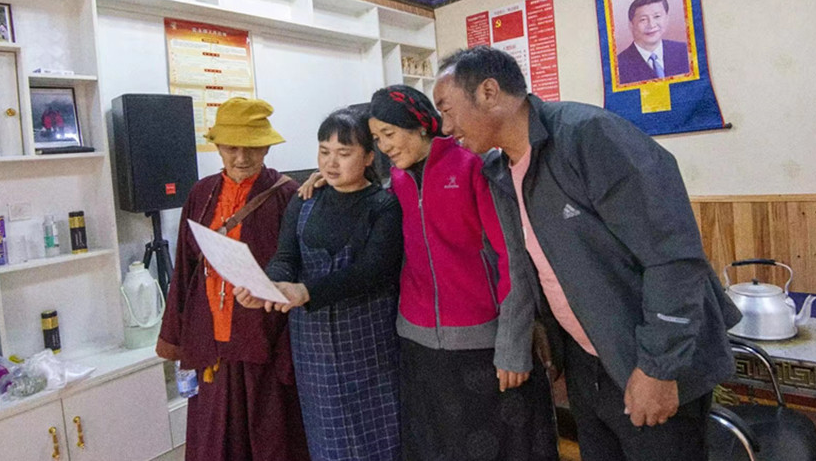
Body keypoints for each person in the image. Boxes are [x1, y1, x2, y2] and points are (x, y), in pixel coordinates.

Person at [433, 46, 742, 461]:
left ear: (489, 92)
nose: (445, 127)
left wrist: (658, 367)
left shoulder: (588, 135)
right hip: (588, 361)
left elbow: (673, 257)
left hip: (648, 359)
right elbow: (537, 265)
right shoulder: (499, 172)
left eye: (447, 109)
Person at [367, 86, 557, 461]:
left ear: (419, 125)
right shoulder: (396, 182)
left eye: (389, 134)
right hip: (418, 344)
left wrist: (513, 343)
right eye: (377, 138)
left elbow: (512, 257)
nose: (384, 146)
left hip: (482, 343)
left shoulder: (473, 166)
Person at [234, 107, 404, 461]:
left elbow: (372, 271)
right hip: (313, 350)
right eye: (324, 152)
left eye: (344, 153)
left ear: (369, 156)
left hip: (369, 346)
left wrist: (306, 291)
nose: (331, 162)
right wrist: (268, 285)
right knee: (327, 442)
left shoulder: (384, 205)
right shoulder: (305, 200)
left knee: (380, 440)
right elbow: (286, 257)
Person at [156, 97, 309, 461]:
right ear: (217, 147)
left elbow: (299, 269)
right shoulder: (201, 193)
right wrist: (175, 336)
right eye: (231, 147)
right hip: (210, 335)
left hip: (263, 338)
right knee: (214, 440)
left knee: (270, 436)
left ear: (266, 147)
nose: (241, 158)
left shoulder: (288, 195)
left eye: (251, 147)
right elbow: (185, 268)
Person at [616, 0, 690, 84]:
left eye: (657, 16)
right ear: (631, 25)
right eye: (643, 19)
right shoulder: (618, 65)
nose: (651, 25)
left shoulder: (684, 51)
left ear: (667, 18)